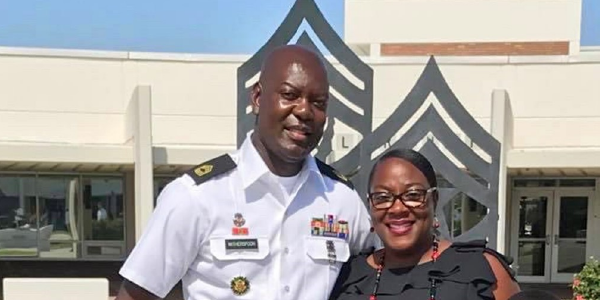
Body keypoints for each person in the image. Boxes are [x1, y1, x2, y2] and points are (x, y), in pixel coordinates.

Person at [115, 45, 375, 300]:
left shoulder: (343, 200)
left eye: (318, 102)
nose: (305, 111)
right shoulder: (196, 196)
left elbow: (378, 277)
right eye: (289, 95)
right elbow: (136, 294)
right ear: (258, 98)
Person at [329, 148, 521, 300]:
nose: (397, 209)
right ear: (370, 205)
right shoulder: (349, 275)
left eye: (413, 195)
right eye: (383, 197)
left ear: (434, 200)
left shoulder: (482, 270)